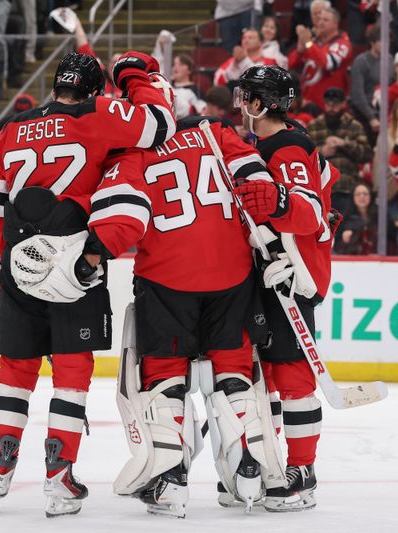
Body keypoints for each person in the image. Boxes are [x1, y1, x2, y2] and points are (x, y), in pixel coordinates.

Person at [0, 50, 176, 517]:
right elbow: (161, 123)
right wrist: (136, 80)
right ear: (93, 89)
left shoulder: (12, 127)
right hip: (73, 267)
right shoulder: (100, 112)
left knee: (15, 371)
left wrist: (7, 260)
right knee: (70, 373)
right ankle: (59, 476)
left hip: (20, 266)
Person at [85, 89, 279, 520]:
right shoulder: (216, 131)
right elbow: (258, 180)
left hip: (166, 276)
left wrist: (91, 256)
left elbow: (120, 216)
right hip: (231, 273)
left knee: (165, 377)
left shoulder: (132, 152)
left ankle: (170, 479)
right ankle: (250, 470)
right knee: (233, 369)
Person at [233, 65, 337, 511]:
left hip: (289, 277)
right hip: (267, 272)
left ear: (265, 102)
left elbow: (311, 212)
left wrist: (278, 202)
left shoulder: (288, 145)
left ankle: (302, 472)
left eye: (248, 96)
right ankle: (268, 462)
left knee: (292, 378)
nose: (242, 104)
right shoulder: (267, 143)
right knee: (267, 377)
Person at [307, 87, 372, 213]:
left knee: (344, 228)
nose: (331, 108)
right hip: (320, 188)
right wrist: (321, 152)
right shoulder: (313, 126)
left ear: (343, 104)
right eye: (328, 104)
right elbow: (302, 157)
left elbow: (367, 154)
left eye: (335, 104)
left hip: (347, 188)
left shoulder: (354, 125)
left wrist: (344, 144)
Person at [287, 7, 352, 109]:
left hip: (329, 106)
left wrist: (308, 42)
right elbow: (291, 66)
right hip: (306, 104)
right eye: (319, 19)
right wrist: (300, 50)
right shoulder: (314, 42)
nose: (321, 23)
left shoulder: (342, 44)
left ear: (335, 24)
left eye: (325, 20)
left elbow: (329, 64)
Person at [350, 24, 385, 136]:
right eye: (382, 41)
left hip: (384, 112)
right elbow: (357, 94)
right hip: (364, 115)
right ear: (372, 42)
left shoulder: (389, 60)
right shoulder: (361, 61)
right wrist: (371, 117)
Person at [334, 182, 377, 255]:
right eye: (358, 194)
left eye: (365, 194)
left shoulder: (379, 217)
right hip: (354, 262)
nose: (362, 196)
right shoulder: (345, 221)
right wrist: (344, 241)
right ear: (353, 197)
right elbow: (337, 249)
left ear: (371, 196)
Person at [169, 54, 206, 119]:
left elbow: (202, 112)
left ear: (190, 70)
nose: (176, 67)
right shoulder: (167, 86)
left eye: (181, 64)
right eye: (174, 64)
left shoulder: (195, 91)